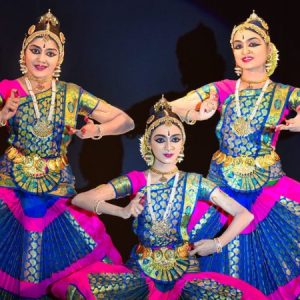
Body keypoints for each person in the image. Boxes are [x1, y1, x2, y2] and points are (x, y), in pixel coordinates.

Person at [50, 98, 269, 299]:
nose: (168, 147)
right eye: (160, 139)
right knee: (77, 291)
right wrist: (122, 211)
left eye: (175, 139)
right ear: (149, 143)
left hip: (186, 275)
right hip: (141, 275)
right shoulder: (137, 180)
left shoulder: (195, 182)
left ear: (182, 143)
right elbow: (81, 200)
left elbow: (244, 215)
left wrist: (217, 243)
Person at [0, 10, 134, 299]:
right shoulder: (7, 89)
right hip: (10, 187)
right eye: (35, 50)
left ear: (58, 60)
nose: (41, 59)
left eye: (50, 53)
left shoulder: (71, 94)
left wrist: (95, 131)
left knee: (65, 265)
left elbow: (126, 121)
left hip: (55, 190)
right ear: (24, 53)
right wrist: (2, 115)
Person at [170, 11, 300, 299]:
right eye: (238, 45)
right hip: (221, 191)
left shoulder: (283, 93)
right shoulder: (225, 89)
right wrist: (194, 113)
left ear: (269, 50)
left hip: (267, 192)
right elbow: (173, 106)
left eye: (253, 44)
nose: (245, 50)